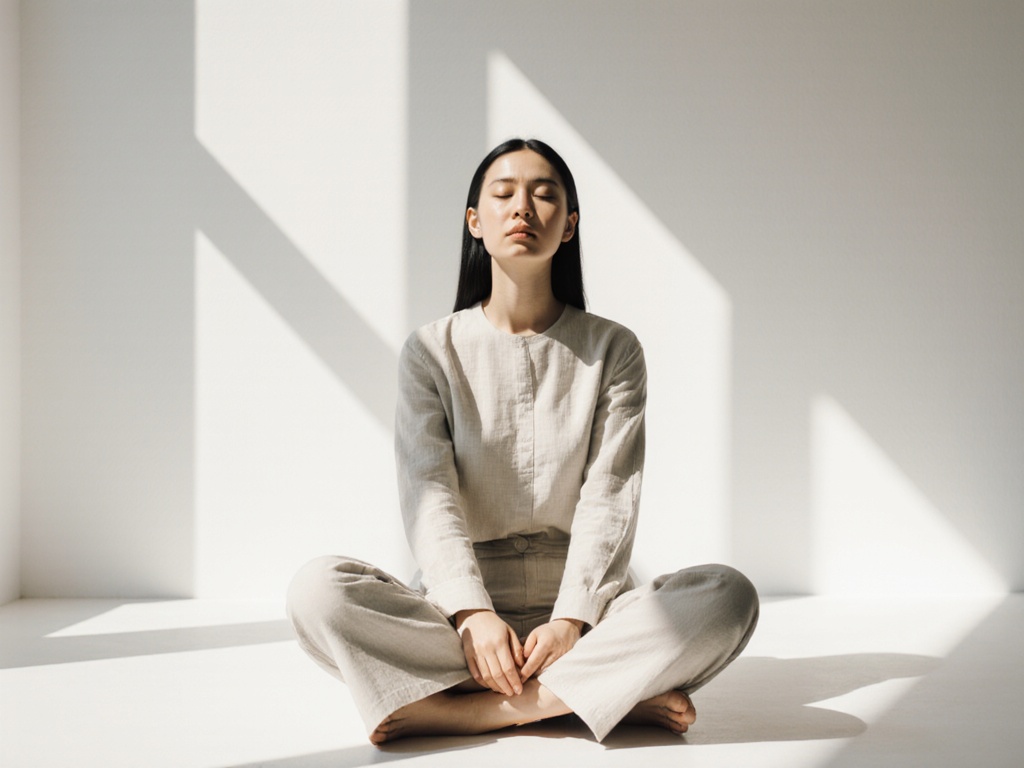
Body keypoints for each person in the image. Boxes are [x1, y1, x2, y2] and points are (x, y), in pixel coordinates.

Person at [286, 138, 758, 745]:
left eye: (545, 195)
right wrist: (472, 613)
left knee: (727, 597)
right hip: (460, 612)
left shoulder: (614, 349)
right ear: (475, 223)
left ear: (569, 225)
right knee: (316, 592)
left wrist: (571, 621)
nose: (523, 209)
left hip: (585, 609)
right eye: (503, 194)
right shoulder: (431, 351)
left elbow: (611, 495)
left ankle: (470, 707)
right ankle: (597, 696)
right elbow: (428, 493)